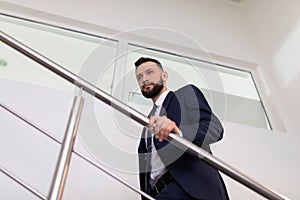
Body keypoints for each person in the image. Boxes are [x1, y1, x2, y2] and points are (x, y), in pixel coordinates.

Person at [135, 57, 229, 200]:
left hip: (191, 188)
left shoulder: (185, 94)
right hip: (159, 193)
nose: (144, 79)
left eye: (149, 72)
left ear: (164, 76)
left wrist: (178, 132)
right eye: (139, 77)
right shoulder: (147, 125)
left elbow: (214, 128)